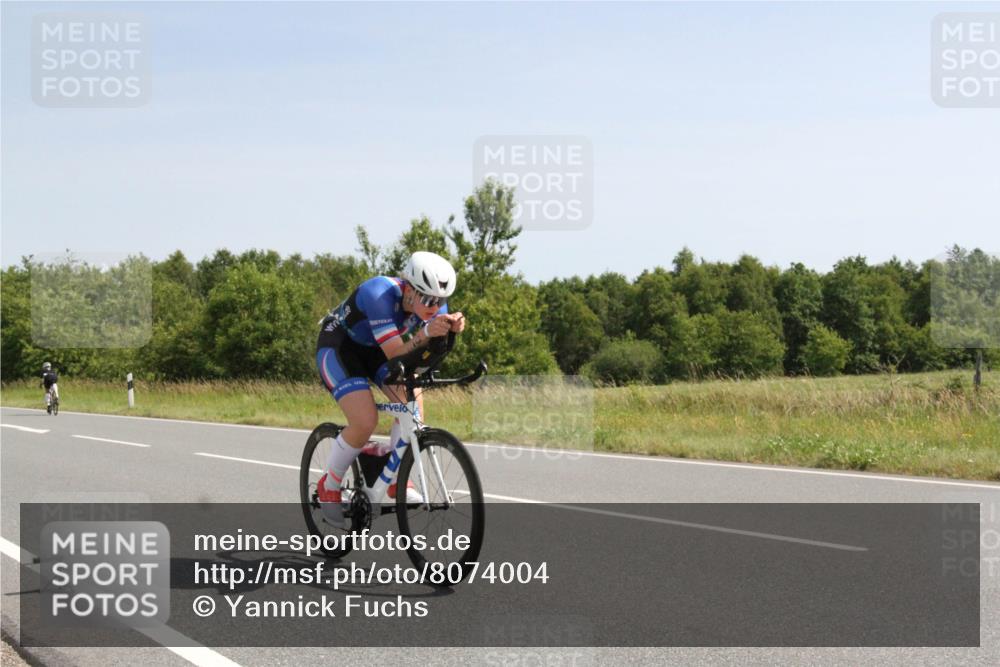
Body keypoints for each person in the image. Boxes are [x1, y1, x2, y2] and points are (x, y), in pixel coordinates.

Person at [315, 251, 466, 527]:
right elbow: (397, 352)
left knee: (413, 406)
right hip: (341, 348)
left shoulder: (434, 308)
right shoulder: (379, 294)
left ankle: (398, 480)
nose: (435, 306)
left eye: (441, 301)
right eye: (429, 299)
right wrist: (426, 334)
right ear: (409, 289)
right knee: (365, 420)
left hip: (378, 352)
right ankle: (330, 483)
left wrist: (449, 334)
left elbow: (421, 358)